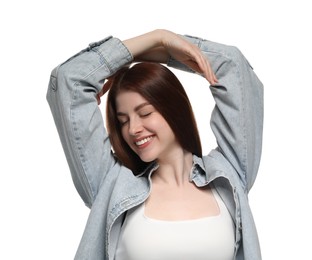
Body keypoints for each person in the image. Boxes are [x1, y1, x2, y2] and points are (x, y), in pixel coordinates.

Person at [47, 29, 263, 260]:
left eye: (145, 113)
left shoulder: (228, 175)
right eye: (123, 121)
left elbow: (233, 66)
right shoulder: (110, 184)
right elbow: (70, 79)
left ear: (174, 108)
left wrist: (164, 50)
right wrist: (155, 39)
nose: (132, 129)